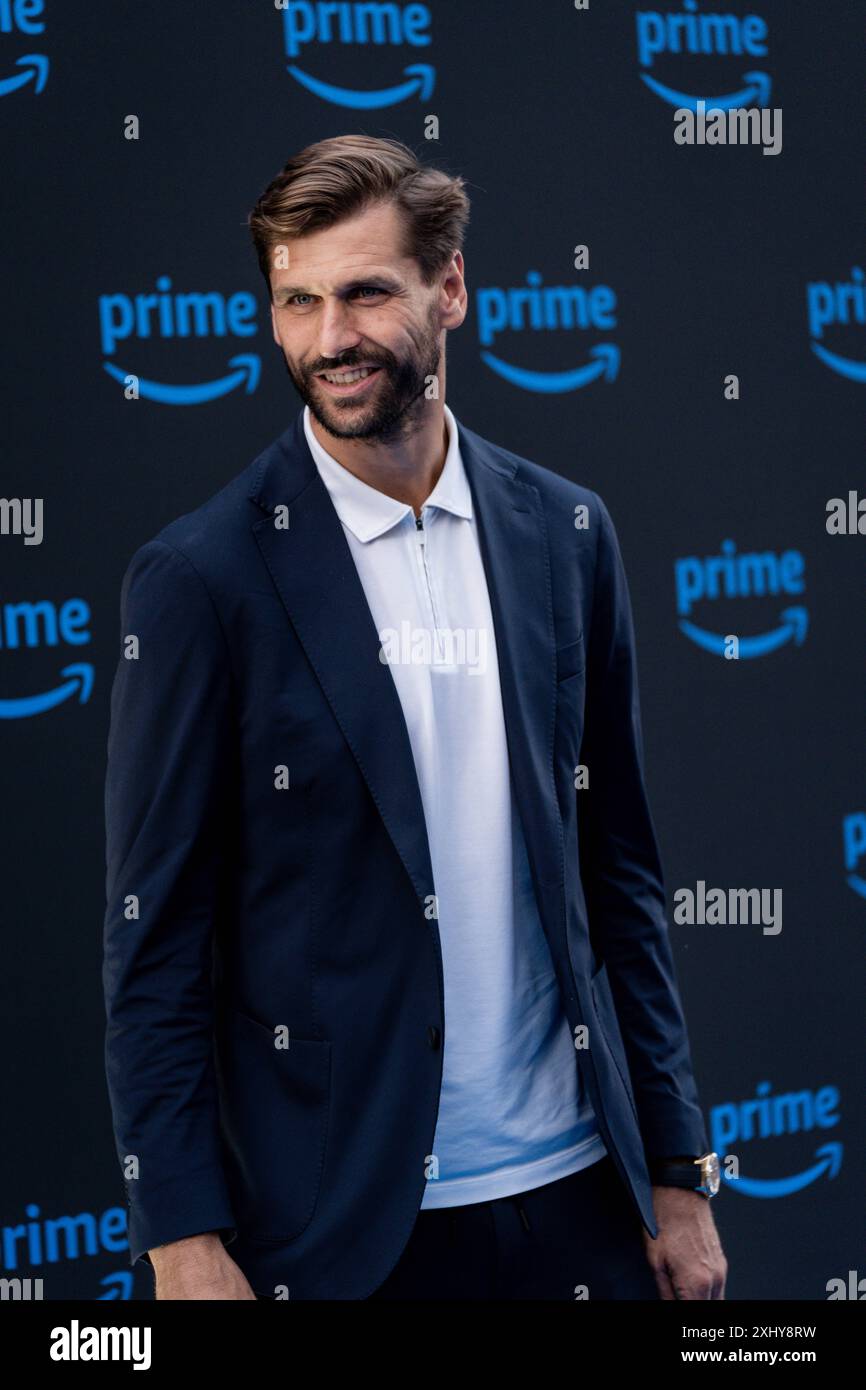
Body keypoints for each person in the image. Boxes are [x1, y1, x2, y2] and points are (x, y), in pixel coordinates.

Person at [102, 135, 727, 1301]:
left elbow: (620, 875)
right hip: (344, 1234)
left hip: (582, 1198)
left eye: (364, 292)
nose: (328, 337)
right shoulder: (203, 579)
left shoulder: (564, 535)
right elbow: (156, 940)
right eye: (296, 301)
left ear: (449, 290)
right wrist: (181, 1236)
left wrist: (678, 1169)